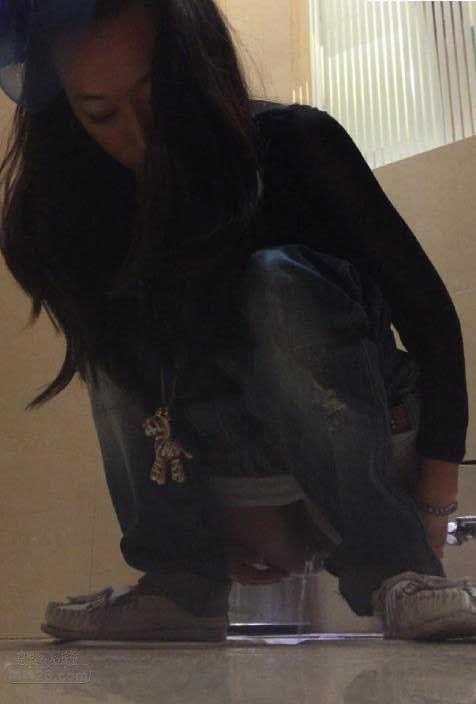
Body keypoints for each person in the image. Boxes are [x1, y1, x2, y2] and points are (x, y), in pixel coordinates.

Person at [0, 0, 474, 643]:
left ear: (192, 70)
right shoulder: (73, 214)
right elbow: (140, 397)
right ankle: (179, 585)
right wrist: (211, 528)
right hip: (231, 457)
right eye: (101, 115)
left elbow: (429, 317)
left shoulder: (297, 142)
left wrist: (434, 502)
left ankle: (398, 570)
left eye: (156, 96)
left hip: (371, 437)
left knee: (273, 282)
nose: (140, 136)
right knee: (113, 323)